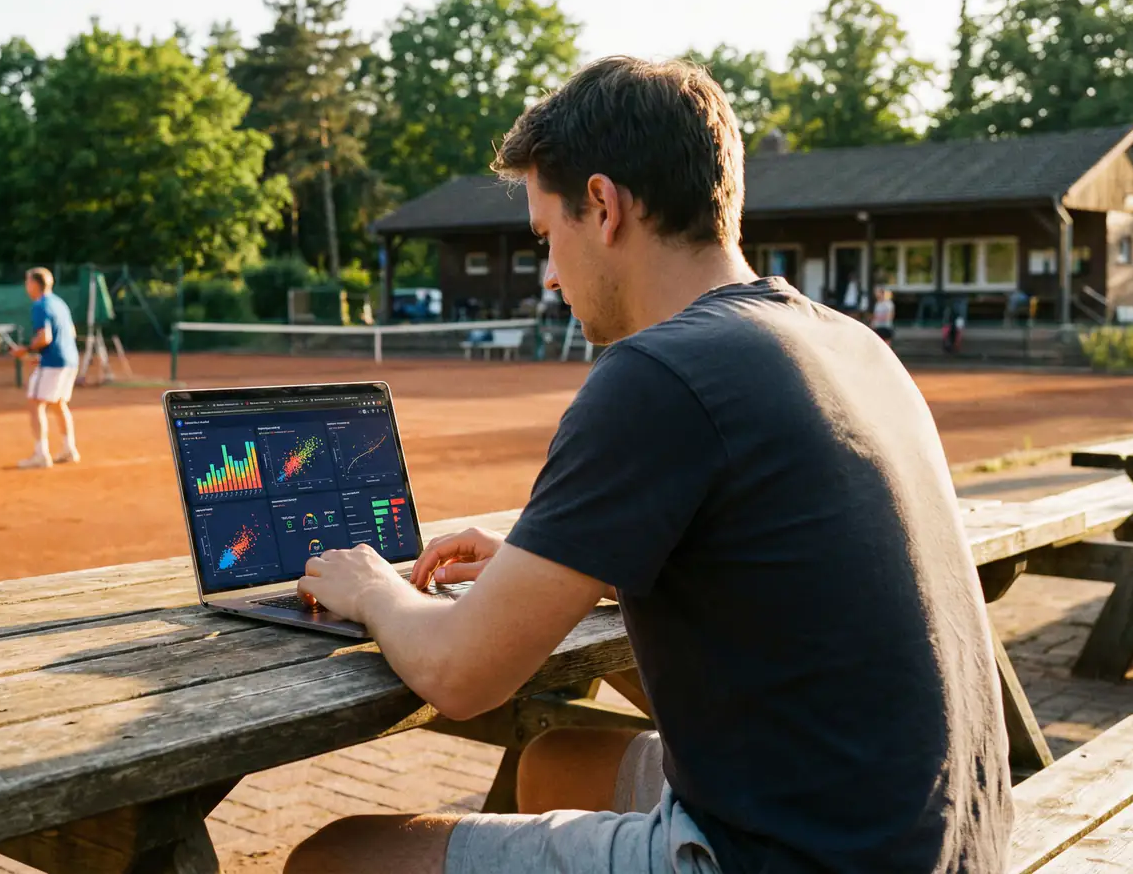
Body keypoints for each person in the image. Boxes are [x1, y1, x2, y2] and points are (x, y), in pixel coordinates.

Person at [285, 56, 1010, 874]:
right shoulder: (849, 343)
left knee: (334, 856)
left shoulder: (658, 373)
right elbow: (775, 547)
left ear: (603, 206)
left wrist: (373, 586)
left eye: (546, 238)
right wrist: (560, 559)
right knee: (556, 761)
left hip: (802, 858)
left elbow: (461, 673)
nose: (550, 273)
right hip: (949, 836)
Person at [10, 267, 80, 469]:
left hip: (54, 362)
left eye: (27, 281)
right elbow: (70, 333)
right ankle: (69, 449)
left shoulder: (40, 305)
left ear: (34, 284)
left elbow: (45, 337)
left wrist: (27, 349)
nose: (26, 285)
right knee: (58, 403)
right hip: (70, 360)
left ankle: (41, 455)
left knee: (35, 403)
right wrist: (39, 354)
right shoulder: (59, 303)